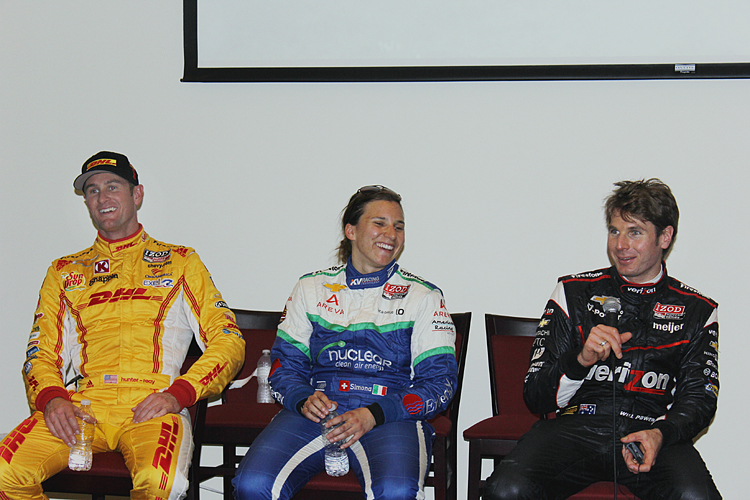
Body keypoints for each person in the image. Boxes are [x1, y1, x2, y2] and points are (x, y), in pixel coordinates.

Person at [0, 151, 246, 500]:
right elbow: (39, 352)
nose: (102, 198)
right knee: (4, 473)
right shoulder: (64, 271)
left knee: (161, 483)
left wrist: (180, 394)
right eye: (93, 191)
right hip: (84, 406)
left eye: (113, 186)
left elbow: (229, 340)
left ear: (137, 195)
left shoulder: (181, 262)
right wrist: (52, 399)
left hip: (151, 405)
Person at [485, 179, 721, 500]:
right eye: (614, 231)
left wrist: (659, 434)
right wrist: (580, 360)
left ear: (665, 237)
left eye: (634, 232)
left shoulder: (698, 309)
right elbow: (535, 396)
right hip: (576, 429)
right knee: (505, 490)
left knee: (696, 496)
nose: (620, 244)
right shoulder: (573, 292)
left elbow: (700, 400)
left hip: (650, 432)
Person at [233, 185, 458, 500]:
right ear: (350, 230)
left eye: (399, 226)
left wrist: (373, 415)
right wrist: (301, 398)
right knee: (252, 484)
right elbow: (284, 368)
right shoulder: (311, 288)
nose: (391, 234)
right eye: (379, 223)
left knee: (395, 492)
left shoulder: (424, 296)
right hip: (317, 410)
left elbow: (439, 385)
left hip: (389, 415)